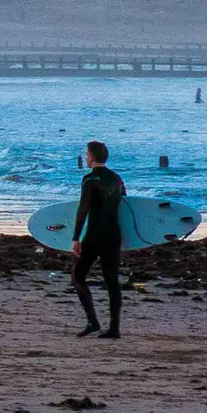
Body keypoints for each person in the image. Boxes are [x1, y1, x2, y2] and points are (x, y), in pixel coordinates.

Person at [70, 140, 126, 339]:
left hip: (94, 236)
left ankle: (93, 321)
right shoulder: (118, 179)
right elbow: (126, 206)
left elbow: (83, 209)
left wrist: (76, 238)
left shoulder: (89, 179)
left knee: (78, 276)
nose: (85, 157)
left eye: (86, 154)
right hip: (114, 235)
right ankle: (114, 328)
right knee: (112, 281)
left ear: (91, 157)